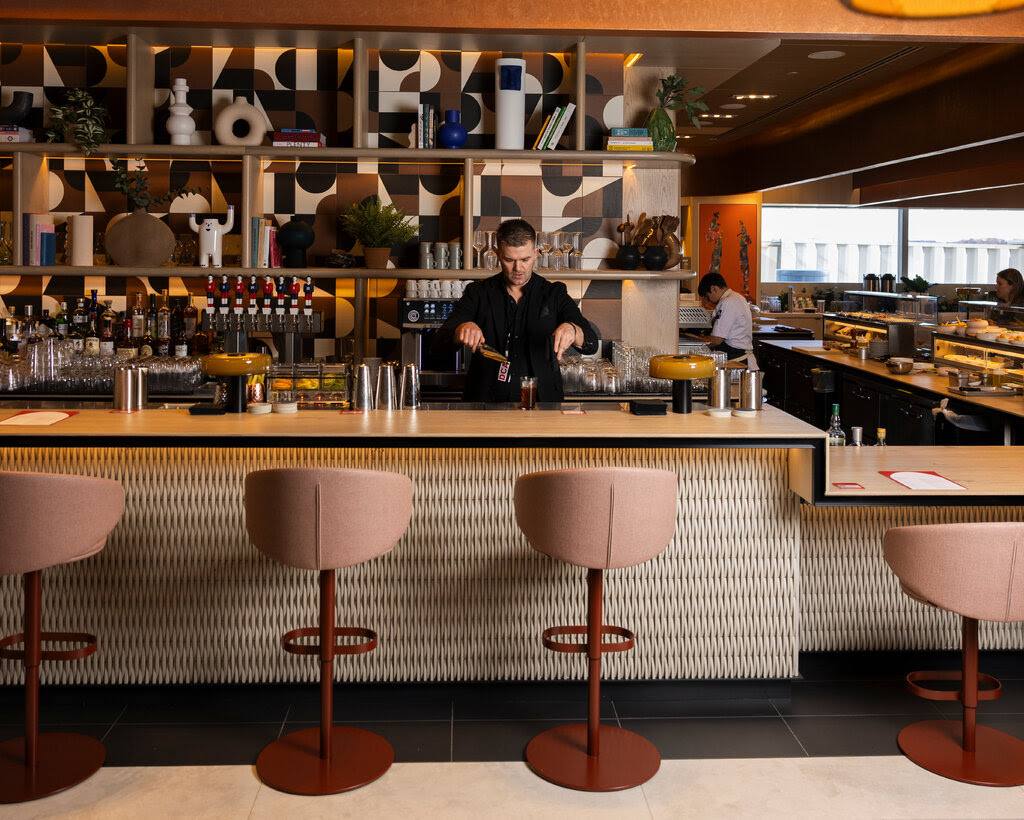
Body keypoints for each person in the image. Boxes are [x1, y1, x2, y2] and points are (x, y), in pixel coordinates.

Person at [432, 218, 598, 402]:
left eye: (525, 259)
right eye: (509, 260)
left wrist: (573, 330)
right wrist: (460, 330)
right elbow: (437, 348)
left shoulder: (554, 294)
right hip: (485, 403)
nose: (518, 268)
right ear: (497, 254)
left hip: (542, 403)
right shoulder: (477, 293)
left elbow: (591, 344)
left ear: (536, 253)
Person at [697, 272, 755, 366]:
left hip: (737, 359)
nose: (708, 301)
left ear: (713, 289)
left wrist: (695, 345)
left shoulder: (728, 302)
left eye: (707, 297)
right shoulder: (736, 297)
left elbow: (717, 339)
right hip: (737, 357)